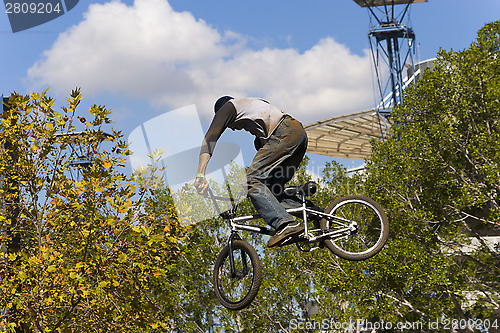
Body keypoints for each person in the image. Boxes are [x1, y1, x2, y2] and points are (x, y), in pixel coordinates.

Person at [194, 96, 311, 247]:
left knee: (251, 180)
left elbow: (209, 140)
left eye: (229, 125)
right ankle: (315, 214)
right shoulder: (256, 116)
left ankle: (284, 224)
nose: (232, 128)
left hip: (285, 133)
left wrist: (200, 174)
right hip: (297, 133)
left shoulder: (228, 107)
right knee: (271, 191)